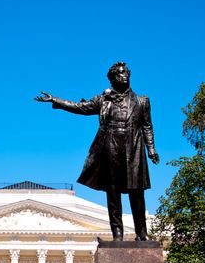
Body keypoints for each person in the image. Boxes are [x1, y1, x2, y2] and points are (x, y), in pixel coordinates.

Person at [36, 62, 159, 241]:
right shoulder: (103, 100)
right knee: (113, 192)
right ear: (112, 78)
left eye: (125, 73)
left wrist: (152, 149)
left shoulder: (142, 101)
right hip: (110, 147)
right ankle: (118, 235)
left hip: (134, 148)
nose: (123, 76)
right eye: (119, 74)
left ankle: (142, 233)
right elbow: (80, 107)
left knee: (137, 192)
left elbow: (147, 126)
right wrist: (56, 100)